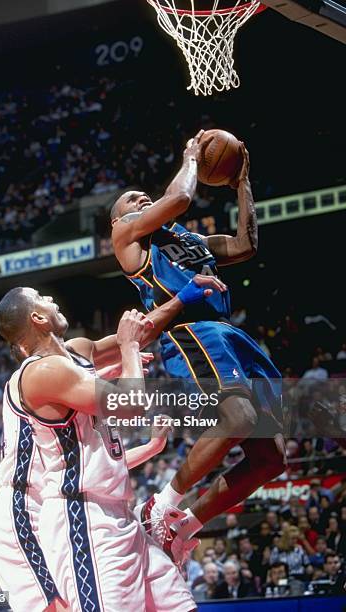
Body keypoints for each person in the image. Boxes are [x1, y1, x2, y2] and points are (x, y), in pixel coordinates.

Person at [0, 281, 218, 611]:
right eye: (42, 298)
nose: (51, 297)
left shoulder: (76, 352)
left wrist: (183, 296)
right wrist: (128, 351)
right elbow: (132, 402)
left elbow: (140, 332)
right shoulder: (43, 372)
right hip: (82, 517)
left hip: (121, 514)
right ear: (38, 318)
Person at [111, 130, 285, 558]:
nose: (141, 200)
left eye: (143, 196)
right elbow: (181, 199)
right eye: (132, 200)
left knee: (271, 458)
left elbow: (246, 245)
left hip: (228, 333)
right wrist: (192, 156)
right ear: (119, 219)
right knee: (238, 415)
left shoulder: (187, 239)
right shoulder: (129, 237)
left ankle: (184, 524)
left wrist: (241, 182)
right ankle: (162, 503)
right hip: (189, 332)